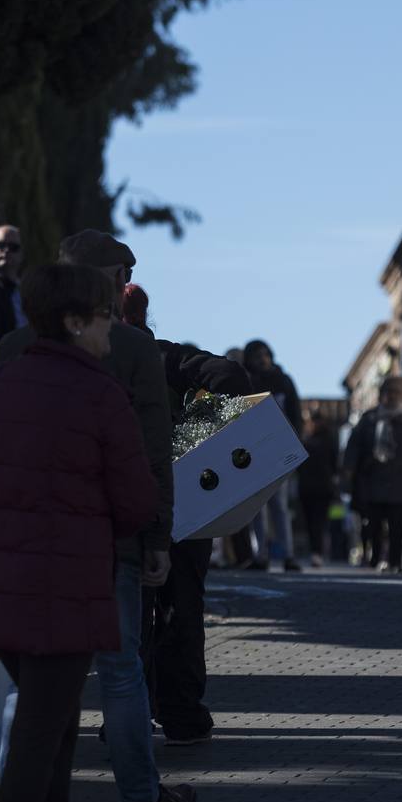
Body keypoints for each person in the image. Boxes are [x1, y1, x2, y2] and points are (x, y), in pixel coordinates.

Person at [0, 264, 170, 802]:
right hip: (68, 589)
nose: (111, 329)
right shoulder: (101, 396)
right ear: (75, 322)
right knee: (37, 738)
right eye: (104, 318)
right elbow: (135, 501)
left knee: (53, 725)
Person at [125, 282, 251, 749]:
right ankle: (181, 713)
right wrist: (197, 433)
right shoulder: (164, 358)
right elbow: (232, 376)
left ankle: (128, 710)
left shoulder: (89, 359)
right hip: (181, 498)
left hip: (119, 504)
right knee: (182, 607)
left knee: (128, 611)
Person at [343, 376, 402, 573]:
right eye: (388, 392)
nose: (391, 396)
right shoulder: (369, 419)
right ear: (381, 395)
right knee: (373, 523)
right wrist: (348, 471)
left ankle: (395, 561)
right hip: (373, 479)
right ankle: (375, 557)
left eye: (396, 392)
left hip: (401, 481)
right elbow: (353, 447)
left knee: (397, 525)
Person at [239, 340, 302, 571]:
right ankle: (260, 555)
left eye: (265, 354)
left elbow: (295, 414)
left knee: (279, 505)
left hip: (281, 448)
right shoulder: (247, 382)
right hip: (254, 451)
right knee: (257, 505)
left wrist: (296, 445)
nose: (262, 359)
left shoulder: (283, 381)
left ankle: (288, 554)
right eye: (257, 355)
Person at [298, 408, 340, 567]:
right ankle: (315, 552)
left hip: (322, 487)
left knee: (318, 522)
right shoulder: (306, 439)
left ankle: (317, 552)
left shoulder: (326, 439)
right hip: (309, 486)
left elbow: (334, 463)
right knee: (310, 523)